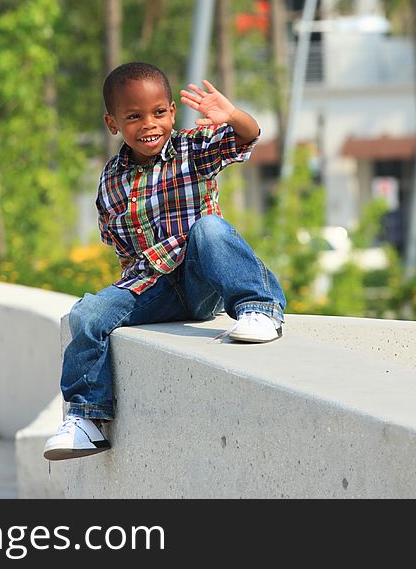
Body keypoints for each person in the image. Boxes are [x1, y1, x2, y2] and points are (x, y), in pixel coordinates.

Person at [44, 62, 286, 461]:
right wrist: (118, 304)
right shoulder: (110, 180)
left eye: (158, 113)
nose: (148, 124)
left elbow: (247, 137)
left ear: (172, 112)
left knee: (210, 229)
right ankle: (87, 420)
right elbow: (121, 249)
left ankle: (259, 309)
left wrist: (233, 116)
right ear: (112, 122)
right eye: (134, 117)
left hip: (200, 277)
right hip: (152, 286)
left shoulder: (193, 149)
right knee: (86, 314)